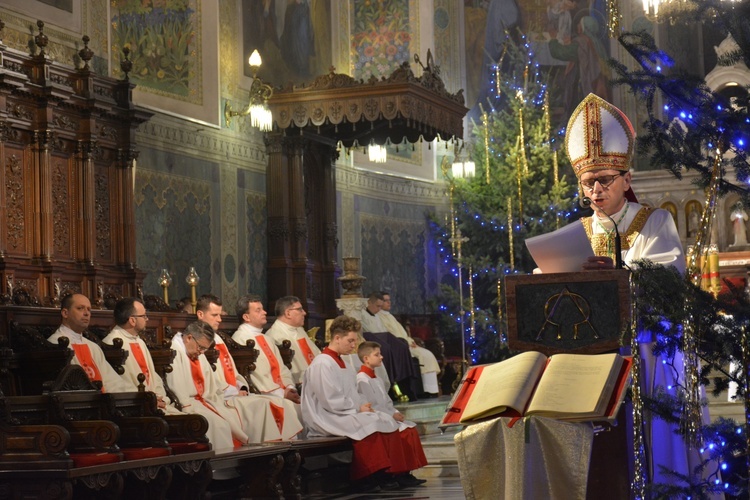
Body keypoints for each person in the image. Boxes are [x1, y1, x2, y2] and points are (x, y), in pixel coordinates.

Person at [563, 93, 713, 489]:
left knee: (654, 439)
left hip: (648, 352)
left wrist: (620, 273)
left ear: (626, 179)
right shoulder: (575, 233)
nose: (595, 190)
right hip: (591, 354)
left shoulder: (654, 220)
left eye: (604, 180)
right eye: (586, 182)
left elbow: (668, 280)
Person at [301, 316, 427, 491]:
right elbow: (330, 399)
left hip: (344, 412)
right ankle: (366, 475)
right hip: (327, 416)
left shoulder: (342, 362)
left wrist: (363, 405)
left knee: (384, 418)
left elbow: (354, 392)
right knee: (371, 422)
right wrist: (357, 408)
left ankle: (388, 472)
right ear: (337, 338)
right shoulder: (322, 363)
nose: (354, 345)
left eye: (355, 341)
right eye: (350, 340)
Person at [195, 294, 302, 441]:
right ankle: (269, 452)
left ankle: (287, 451)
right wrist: (233, 390)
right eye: (215, 315)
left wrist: (242, 387)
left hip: (236, 391)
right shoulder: (198, 340)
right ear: (200, 314)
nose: (220, 319)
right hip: (223, 395)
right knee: (270, 405)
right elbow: (206, 376)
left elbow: (233, 370)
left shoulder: (219, 337)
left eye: (220, 315)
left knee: (289, 405)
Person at [102, 297, 180, 414]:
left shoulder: (139, 341)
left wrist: (160, 397)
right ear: (132, 320)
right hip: (136, 406)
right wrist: (148, 399)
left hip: (153, 402)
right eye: (143, 316)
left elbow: (152, 376)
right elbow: (119, 382)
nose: (147, 319)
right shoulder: (112, 343)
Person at [48, 293, 136, 393]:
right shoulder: (55, 345)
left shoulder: (93, 347)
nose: (87, 313)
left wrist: (140, 396)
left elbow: (112, 382)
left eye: (89, 309)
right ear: (65, 313)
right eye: (80, 308)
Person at [231, 294, 300, 404]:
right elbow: (255, 377)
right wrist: (283, 394)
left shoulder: (267, 339)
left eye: (262, 309)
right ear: (246, 317)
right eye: (258, 310)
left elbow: (282, 368)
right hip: (266, 397)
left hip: (282, 393)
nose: (265, 312)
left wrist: (290, 387)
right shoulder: (240, 340)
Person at [360, 292, 420, 401]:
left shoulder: (377, 316)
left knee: (402, 346)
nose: (379, 309)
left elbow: (385, 332)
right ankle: (391, 385)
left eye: (380, 306)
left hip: (384, 339)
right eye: (377, 306)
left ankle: (406, 385)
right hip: (374, 342)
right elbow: (368, 333)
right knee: (386, 349)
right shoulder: (362, 314)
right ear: (369, 303)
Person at [378, 293, 441, 397]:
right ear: (379, 302)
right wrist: (405, 342)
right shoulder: (379, 317)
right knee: (424, 356)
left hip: (406, 343)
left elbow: (402, 332)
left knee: (427, 354)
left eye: (389, 300)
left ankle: (431, 390)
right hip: (398, 346)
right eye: (386, 300)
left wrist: (410, 340)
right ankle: (424, 390)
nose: (389, 302)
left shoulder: (389, 316)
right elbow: (389, 335)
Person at [265, 295, 321, 385]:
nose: (304, 313)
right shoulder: (274, 336)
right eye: (300, 309)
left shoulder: (299, 329)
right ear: (288, 313)